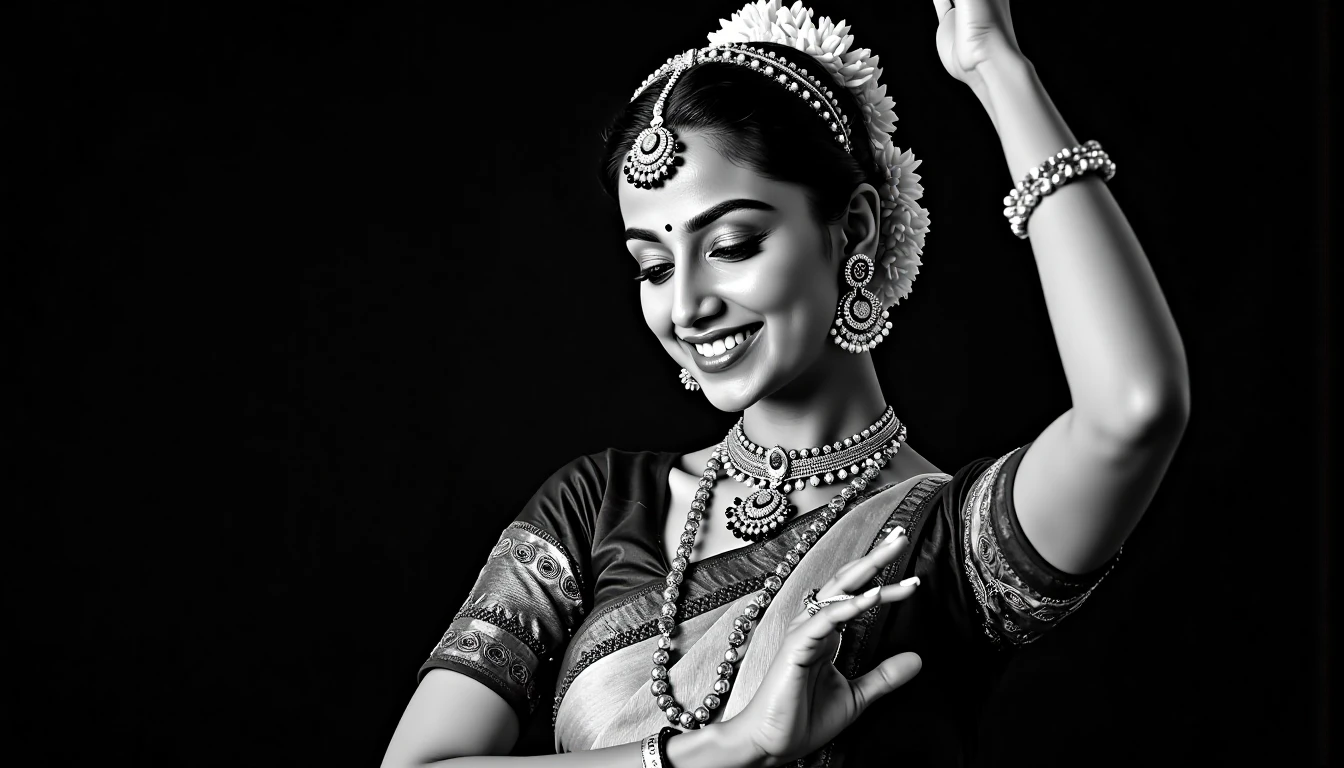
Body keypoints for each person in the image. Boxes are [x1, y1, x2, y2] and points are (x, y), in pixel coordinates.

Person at [382, 1, 1189, 765]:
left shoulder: (938, 545)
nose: (688, 305)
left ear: (857, 228)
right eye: (654, 267)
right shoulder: (597, 507)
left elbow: (1134, 410)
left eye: (732, 245)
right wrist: (725, 749)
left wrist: (995, 66)